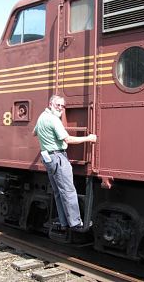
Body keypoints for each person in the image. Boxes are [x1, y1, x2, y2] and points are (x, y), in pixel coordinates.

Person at [33, 95, 97, 231]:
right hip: (58, 157)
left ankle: (64, 222)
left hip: (48, 158)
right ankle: (75, 223)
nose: (61, 109)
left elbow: (35, 133)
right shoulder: (53, 120)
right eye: (58, 105)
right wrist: (88, 138)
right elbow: (67, 139)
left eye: (63, 106)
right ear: (51, 104)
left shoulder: (41, 118)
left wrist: (47, 138)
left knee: (58, 192)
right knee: (68, 190)